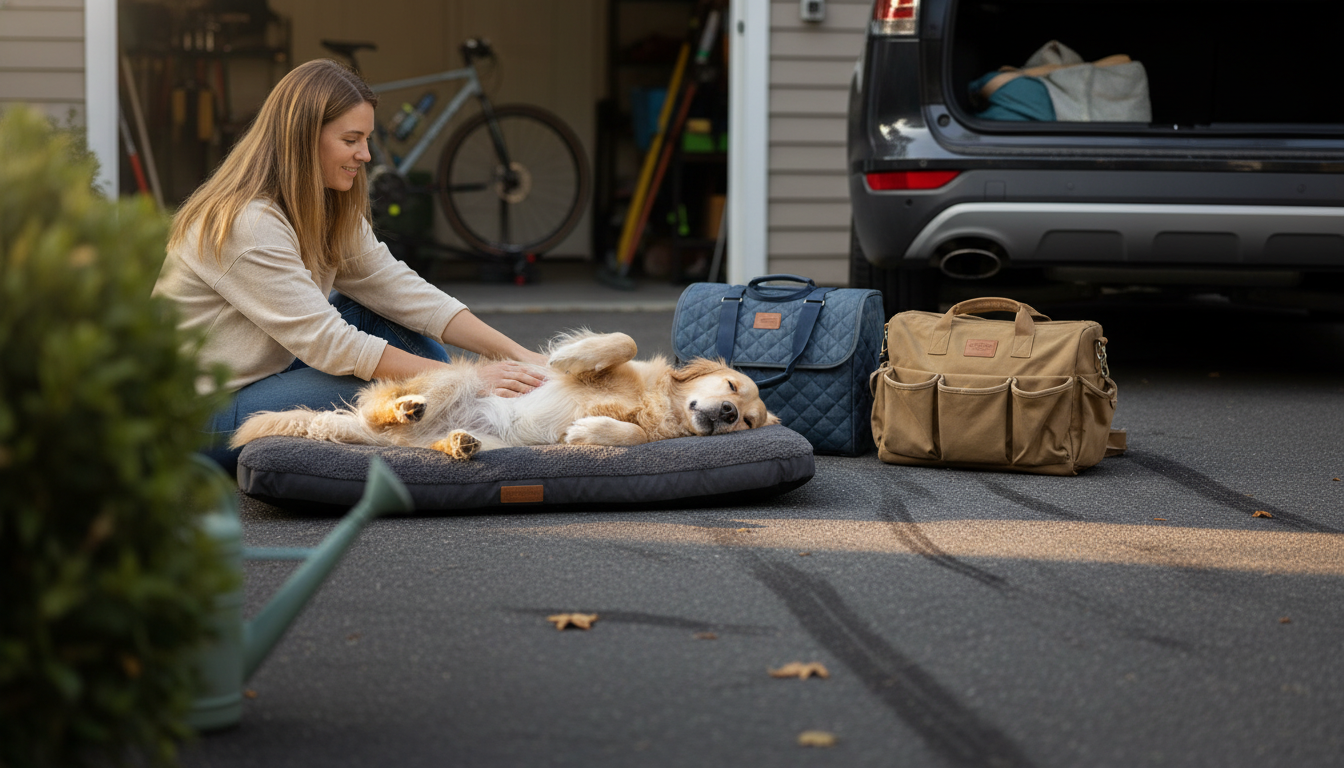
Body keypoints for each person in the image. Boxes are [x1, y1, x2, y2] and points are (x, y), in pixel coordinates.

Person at [153, 58, 548, 475]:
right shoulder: (247, 223)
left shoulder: (323, 205)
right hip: (198, 416)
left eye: (367, 139)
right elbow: (329, 343)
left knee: (381, 321)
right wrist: (464, 381)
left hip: (265, 377)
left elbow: (398, 288)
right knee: (387, 385)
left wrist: (522, 357)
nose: (365, 154)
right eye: (351, 139)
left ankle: (483, 413)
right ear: (303, 140)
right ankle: (478, 419)